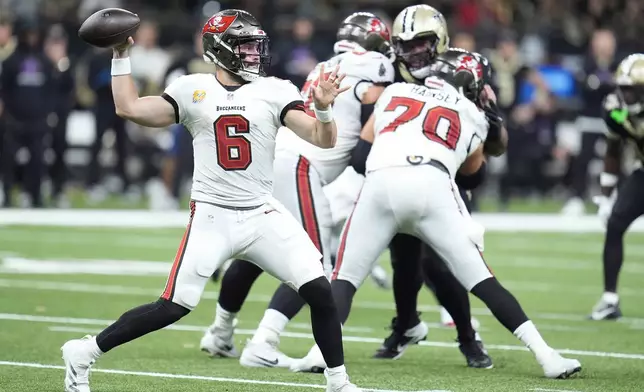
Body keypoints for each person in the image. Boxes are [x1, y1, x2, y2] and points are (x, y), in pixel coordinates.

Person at [61, 9, 362, 392]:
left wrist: (323, 106)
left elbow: (323, 139)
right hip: (213, 216)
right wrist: (121, 54)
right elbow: (130, 108)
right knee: (174, 305)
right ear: (221, 51)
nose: (255, 54)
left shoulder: (276, 90)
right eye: (247, 47)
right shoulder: (192, 89)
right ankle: (84, 352)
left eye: (257, 47)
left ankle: (338, 383)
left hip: (261, 212)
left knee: (319, 289)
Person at [291, 28, 581, 380]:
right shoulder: (473, 114)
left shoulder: (394, 92)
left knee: (345, 279)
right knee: (481, 279)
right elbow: (474, 177)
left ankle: (318, 353)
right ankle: (546, 356)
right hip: (431, 185)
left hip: (380, 182)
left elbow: (362, 154)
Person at [201, 11, 396, 369]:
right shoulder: (369, 64)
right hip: (301, 165)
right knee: (313, 262)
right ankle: (263, 342)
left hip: (279, 158)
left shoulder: (328, 62)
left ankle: (219, 332)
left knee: (256, 253)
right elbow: (374, 93)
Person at [590, 53, 644, 321]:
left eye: (631, 89)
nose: (625, 95)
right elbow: (613, 148)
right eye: (623, 88)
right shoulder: (615, 108)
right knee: (615, 224)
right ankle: (609, 300)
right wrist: (606, 195)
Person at [0, 18, 54, 208]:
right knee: (8, 160)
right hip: (14, 120)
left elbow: (50, 89)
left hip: (38, 121)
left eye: (34, 34)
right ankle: (7, 195)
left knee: (38, 160)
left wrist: (47, 112)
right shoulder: (10, 62)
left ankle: (36, 197)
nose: (32, 38)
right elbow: (4, 90)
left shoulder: (45, 62)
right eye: (28, 34)